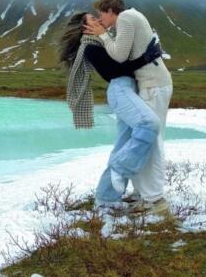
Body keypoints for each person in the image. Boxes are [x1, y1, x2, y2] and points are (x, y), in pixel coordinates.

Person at [60, 12, 165, 212]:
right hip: (120, 90)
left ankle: (106, 197)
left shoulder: (102, 42)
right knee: (149, 124)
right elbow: (115, 70)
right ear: (85, 27)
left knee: (123, 143)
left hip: (129, 90)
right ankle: (121, 166)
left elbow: (123, 61)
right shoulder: (90, 46)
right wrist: (145, 58)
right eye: (93, 19)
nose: (98, 20)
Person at [83, 0, 173, 213]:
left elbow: (120, 57)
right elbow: (122, 60)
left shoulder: (124, 19)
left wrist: (104, 35)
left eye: (100, 14)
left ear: (109, 10)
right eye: (94, 19)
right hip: (150, 84)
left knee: (151, 140)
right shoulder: (130, 17)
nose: (99, 19)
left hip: (152, 84)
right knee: (145, 137)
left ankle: (154, 199)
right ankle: (144, 194)